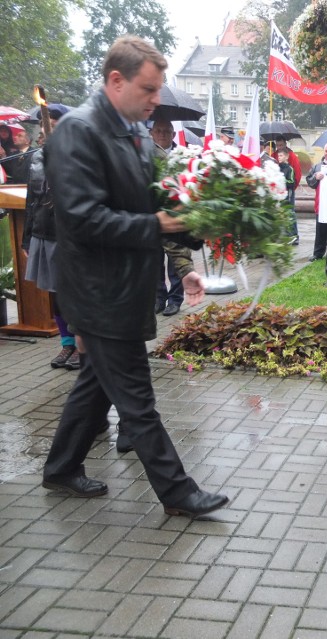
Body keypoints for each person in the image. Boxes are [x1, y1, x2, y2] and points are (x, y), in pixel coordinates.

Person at [40, 35, 228, 518]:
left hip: (128, 286)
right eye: (148, 89)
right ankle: (178, 493)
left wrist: (183, 257)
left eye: (158, 89)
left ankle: (60, 467)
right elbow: (81, 219)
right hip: (98, 292)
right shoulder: (77, 132)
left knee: (97, 384)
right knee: (138, 401)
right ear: (115, 80)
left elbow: (153, 207)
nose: (156, 99)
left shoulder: (136, 132)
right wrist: (157, 225)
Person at [21, 107, 80, 370]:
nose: (48, 129)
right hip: (42, 234)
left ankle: (81, 345)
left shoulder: (77, 157)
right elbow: (31, 201)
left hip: (68, 237)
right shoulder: (36, 159)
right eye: (47, 125)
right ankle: (67, 344)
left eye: (55, 124)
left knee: (72, 293)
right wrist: (26, 240)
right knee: (55, 295)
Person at [150, 118, 190, 317]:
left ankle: (175, 300)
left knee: (176, 261)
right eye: (158, 130)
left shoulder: (183, 155)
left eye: (167, 131)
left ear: (174, 135)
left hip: (176, 215)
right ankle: (159, 298)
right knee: (155, 260)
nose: (162, 134)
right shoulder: (145, 155)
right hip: (154, 216)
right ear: (151, 133)